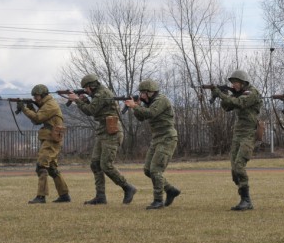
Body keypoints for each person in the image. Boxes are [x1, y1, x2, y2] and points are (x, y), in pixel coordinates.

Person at [66, 74, 137, 205]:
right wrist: (84, 100)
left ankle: (128, 187)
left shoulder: (101, 93)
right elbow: (97, 110)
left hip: (112, 132)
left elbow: (90, 111)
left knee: (106, 165)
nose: (85, 91)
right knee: (95, 164)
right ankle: (100, 196)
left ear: (91, 86)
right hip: (103, 130)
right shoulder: (98, 94)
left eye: (86, 88)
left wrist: (77, 100)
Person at [123, 79, 181, 209]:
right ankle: (171, 190)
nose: (142, 95)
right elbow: (141, 117)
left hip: (167, 138)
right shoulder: (149, 103)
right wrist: (136, 107)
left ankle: (158, 201)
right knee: (148, 170)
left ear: (151, 92)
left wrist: (135, 106)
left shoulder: (161, 100)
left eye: (144, 93)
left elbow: (151, 113)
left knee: (156, 170)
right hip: (157, 139)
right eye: (141, 93)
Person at [212, 69, 262, 211]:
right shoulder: (237, 94)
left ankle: (246, 200)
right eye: (232, 83)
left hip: (249, 133)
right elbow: (227, 107)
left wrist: (221, 94)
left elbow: (240, 103)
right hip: (238, 133)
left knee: (239, 165)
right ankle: (243, 196)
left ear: (243, 82)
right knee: (234, 171)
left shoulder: (252, 92)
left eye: (236, 82)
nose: (234, 85)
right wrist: (222, 94)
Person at [19, 84, 71, 204]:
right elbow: (39, 120)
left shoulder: (50, 105)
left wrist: (24, 109)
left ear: (42, 95)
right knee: (52, 168)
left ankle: (41, 197)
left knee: (41, 166)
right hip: (50, 139)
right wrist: (31, 108)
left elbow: (38, 118)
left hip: (51, 140)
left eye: (36, 96)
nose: (35, 98)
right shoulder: (46, 104)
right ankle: (64, 195)